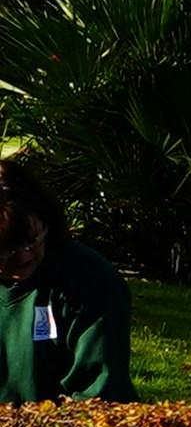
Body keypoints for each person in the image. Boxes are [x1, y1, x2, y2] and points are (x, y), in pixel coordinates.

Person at [0, 153, 134, 402]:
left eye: (31, 239)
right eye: (7, 249)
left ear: (45, 222)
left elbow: (100, 394)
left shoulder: (91, 281)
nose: (23, 256)